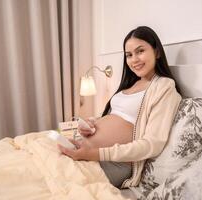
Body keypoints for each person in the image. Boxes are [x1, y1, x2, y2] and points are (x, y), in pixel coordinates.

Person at [58, 26, 182, 189]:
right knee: (41, 154)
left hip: (112, 162)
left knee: (58, 181)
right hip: (87, 148)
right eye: (129, 55)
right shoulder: (132, 83)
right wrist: (93, 122)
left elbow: (153, 143)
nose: (134, 59)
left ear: (157, 52)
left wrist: (94, 153)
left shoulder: (164, 86)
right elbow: (117, 115)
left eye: (140, 51)